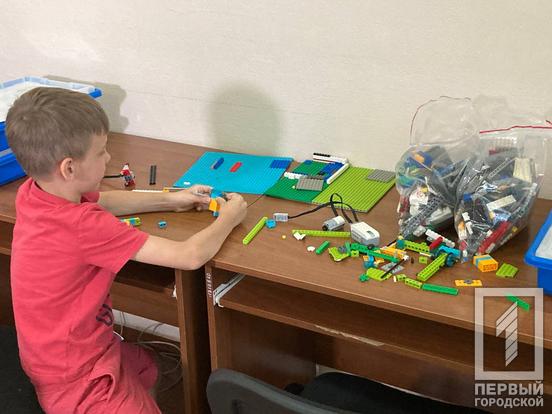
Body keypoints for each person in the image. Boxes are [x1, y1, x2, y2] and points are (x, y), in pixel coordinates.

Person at [6, 87, 247, 413]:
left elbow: (103, 200)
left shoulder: (35, 193)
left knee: (147, 368)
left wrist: (173, 199)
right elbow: (188, 256)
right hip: (78, 380)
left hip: (56, 357)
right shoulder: (82, 225)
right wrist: (230, 217)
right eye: (101, 152)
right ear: (69, 168)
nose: (109, 158)